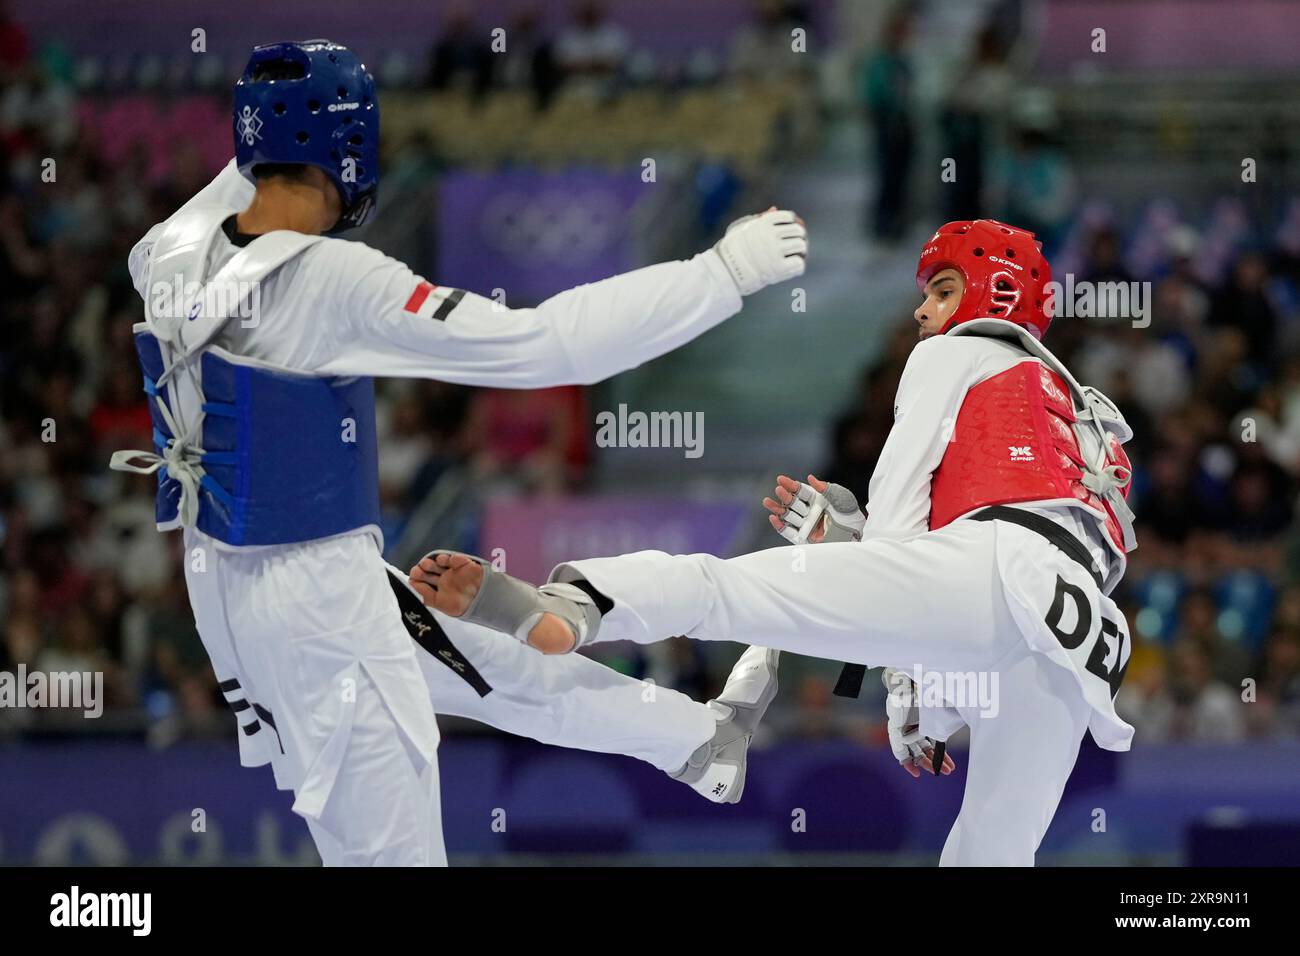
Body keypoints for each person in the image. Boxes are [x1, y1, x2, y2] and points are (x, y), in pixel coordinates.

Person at [111, 39, 807, 866]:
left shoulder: (164, 252)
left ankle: (698, 742)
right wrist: (718, 274)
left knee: (500, 666)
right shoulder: (334, 282)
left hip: (240, 579)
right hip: (319, 613)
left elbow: (240, 183)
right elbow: (545, 347)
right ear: (353, 149)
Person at [415, 219, 1139, 865]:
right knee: (998, 844)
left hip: (987, 572)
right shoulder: (1091, 412)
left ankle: (577, 605)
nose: (922, 308)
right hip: (1080, 635)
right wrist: (914, 655)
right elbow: (1054, 538)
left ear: (995, 295)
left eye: (943, 289)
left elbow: (901, 512)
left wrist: (900, 674)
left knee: (723, 589)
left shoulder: (955, 353)